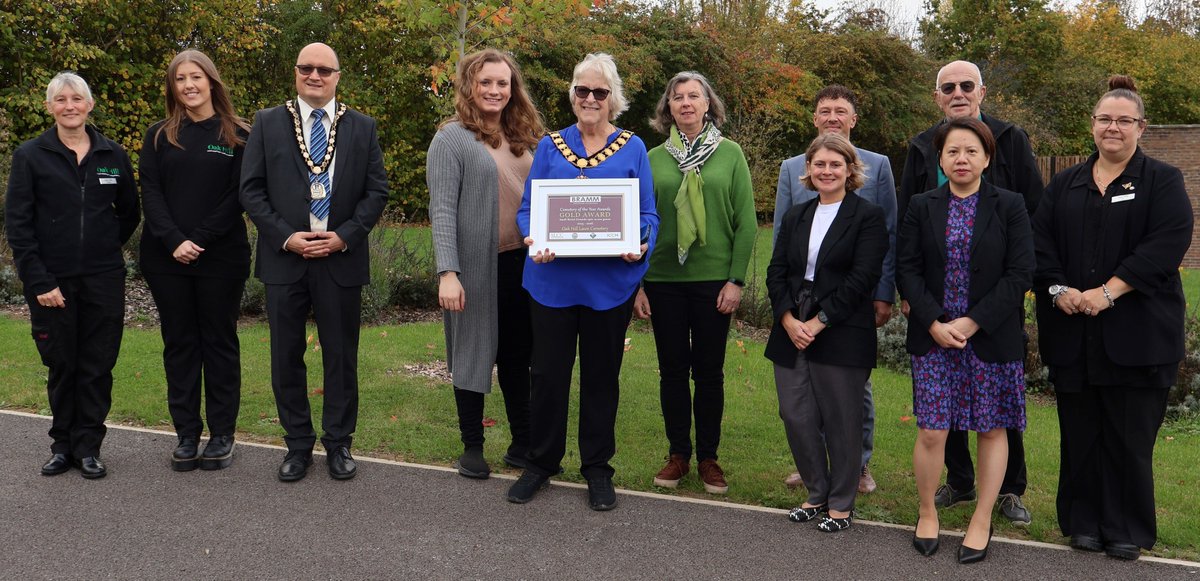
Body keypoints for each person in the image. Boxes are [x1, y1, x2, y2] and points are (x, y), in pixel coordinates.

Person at [1033, 76, 1192, 561]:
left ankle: (1126, 529)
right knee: (1080, 434)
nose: (1113, 128)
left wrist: (1107, 292)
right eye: (1105, 119)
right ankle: (1082, 522)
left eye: (1124, 120)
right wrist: (1060, 291)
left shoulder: (1161, 180)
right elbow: (1041, 245)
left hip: (1137, 336)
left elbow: (1166, 244)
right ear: (1093, 125)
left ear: (1141, 128)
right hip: (1074, 334)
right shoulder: (1066, 183)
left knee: (1128, 438)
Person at [507, 53, 659, 511]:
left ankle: (597, 468)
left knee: (600, 378)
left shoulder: (632, 148)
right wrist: (534, 237)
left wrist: (640, 242)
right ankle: (541, 463)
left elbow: (647, 214)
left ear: (613, 99)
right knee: (547, 376)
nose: (589, 99)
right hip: (553, 282)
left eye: (599, 92)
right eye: (581, 90)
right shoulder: (551, 145)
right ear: (572, 95)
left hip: (608, 286)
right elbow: (530, 206)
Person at [898, 60, 1040, 526]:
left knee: (995, 418)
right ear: (937, 95)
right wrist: (925, 311)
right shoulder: (922, 147)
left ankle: (1006, 491)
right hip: (935, 312)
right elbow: (907, 240)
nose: (957, 92)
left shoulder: (1011, 140)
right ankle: (958, 481)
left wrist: (979, 315)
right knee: (940, 420)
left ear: (981, 90)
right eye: (947, 87)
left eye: (965, 85)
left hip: (992, 310)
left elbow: (1028, 235)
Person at [240, 43, 389, 482]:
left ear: (338, 76)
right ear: (295, 72)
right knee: (286, 356)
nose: (315, 76)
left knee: (341, 357)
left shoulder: (362, 127)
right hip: (286, 259)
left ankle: (339, 444)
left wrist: (343, 237)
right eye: (306, 67)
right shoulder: (267, 123)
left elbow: (376, 191)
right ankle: (298, 445)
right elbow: (251, 190)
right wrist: (287, 238)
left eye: (324, 69)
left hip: (339, 260)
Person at [5, 72, 140, 479]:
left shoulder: (112, 155)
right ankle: (62, 446)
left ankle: (89, 448)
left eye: (76, 98)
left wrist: (99, 249)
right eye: (60, 100)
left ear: (89, 105)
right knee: (62, 364)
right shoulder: (31, 155)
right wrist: (40, 280)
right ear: (50, 108)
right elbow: (19, 224)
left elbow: (129, 213)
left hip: (103, 278)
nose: (69, 106)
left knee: (98, 365)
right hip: (52, 282)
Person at [633, 71, 755, 495]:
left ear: (708, 105)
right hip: (663, 279)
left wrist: (736, 280)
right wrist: (639, 285)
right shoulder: (651, 159)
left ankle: (708, 458)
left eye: (694, 96)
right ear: (667, 108)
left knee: (709, 372)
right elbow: (639, 223)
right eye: (677, 97)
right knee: (671, 371)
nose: (686, 103)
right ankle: (678, 454)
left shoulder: (730, 154)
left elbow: (747, 224)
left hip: (713, 282)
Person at [774, 84, 897, 494]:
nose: (832, 116)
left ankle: (857, 465)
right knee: (801, 395)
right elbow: (780, 235)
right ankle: (813, 469)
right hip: (800, 296)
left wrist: (883, 293)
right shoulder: (791, 167)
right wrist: (787, 309)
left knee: (850, 390)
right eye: (824, 110)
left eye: (840, 110)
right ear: (814, 118)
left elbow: (888, 234)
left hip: (850, 301)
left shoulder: (878, 166)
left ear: (853, 119)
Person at [427, 49, 544, 479]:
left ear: (513, 90)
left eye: (503, 83)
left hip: (525, 265)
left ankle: (523, 444)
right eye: (486, 82)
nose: (495, 90)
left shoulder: (525, 138)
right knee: (473, 353)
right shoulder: (451, 139)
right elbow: (441, 211)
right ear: (470, 86)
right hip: (475, 267)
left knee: (519, 357)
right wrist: (448, 273)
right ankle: (472, 447)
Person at [765, 132, 887, 533]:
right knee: (795, 413)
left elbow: (862, 278)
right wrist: (788, 319)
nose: (827, 170)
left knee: (841, 418)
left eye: (836, 164)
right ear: (809, 170)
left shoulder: (866, 216)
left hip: (841, 326)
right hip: (791, 323)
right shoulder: (797, 215)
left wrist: (818, 322)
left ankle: (840, 503)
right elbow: (776, 270)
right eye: (820, 164)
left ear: (850, 170)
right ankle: (816, 492)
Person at [140, 50, 251, 472]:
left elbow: (237, 196)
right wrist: (174, 240)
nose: (188, 85)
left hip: (220, 258)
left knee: (219, 344)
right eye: (180, 79)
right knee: (180, 345)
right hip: (166, 259)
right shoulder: (157, 136)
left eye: (196, 77)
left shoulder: (239, 135)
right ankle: (187, 434)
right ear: (172, 87)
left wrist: (198, 240)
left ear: (211, 81)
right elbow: (150, 193)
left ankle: (222, 434)